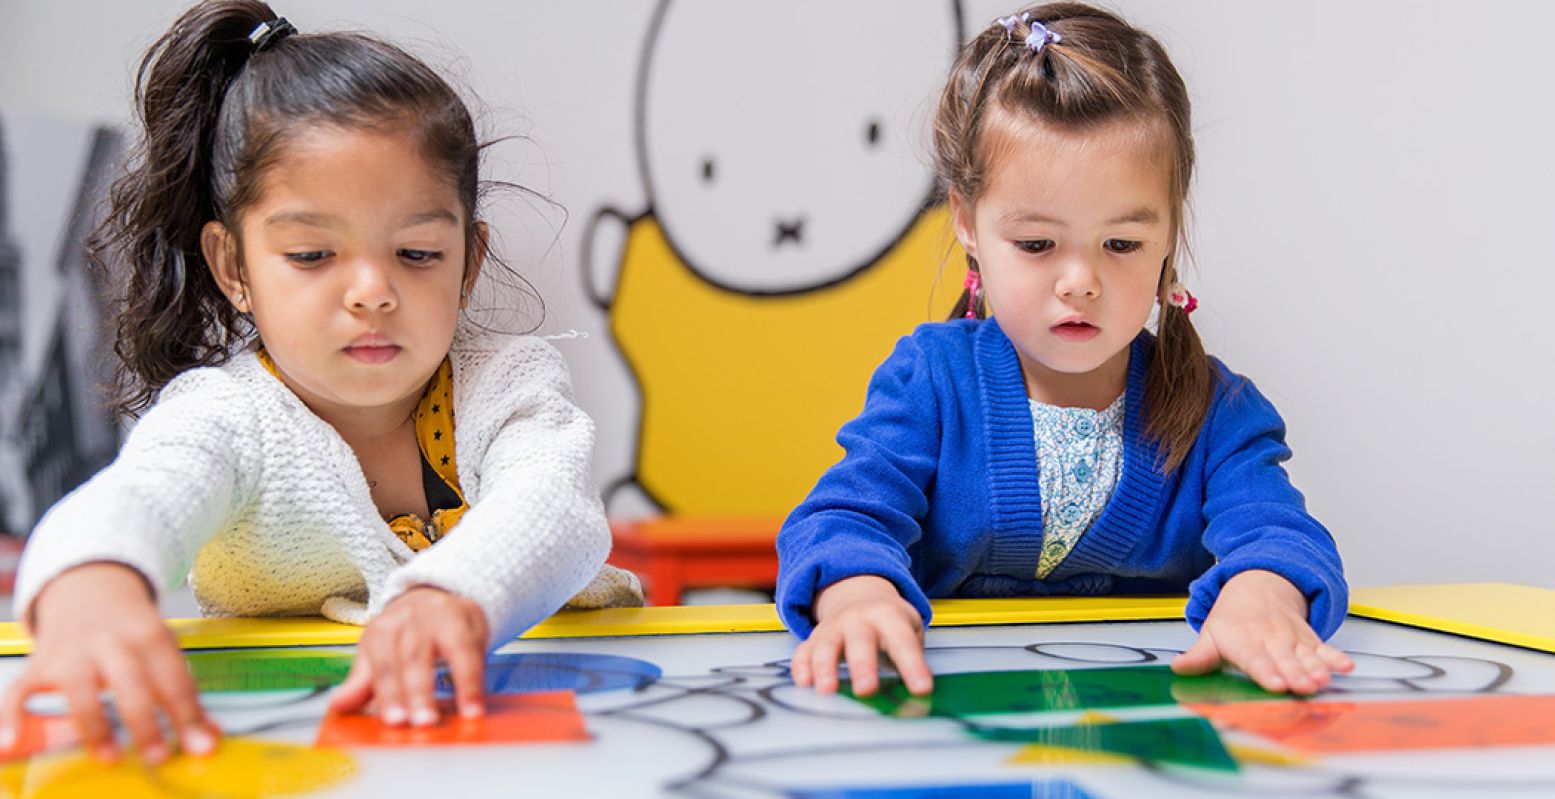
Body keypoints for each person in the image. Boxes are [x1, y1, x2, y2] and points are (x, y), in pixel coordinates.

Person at [1, 0, 639, 765]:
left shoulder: (509, 382)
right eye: (311, 256)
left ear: (469, 262)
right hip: (302, 740)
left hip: (538, 708)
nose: (371, 291)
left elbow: (555, 508)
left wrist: (452, 594)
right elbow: (140, 495)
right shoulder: (225, 416)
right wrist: (90, 581)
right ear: (234, 266)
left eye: (417, 253)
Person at [777, 2, 1350, 701]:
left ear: (1169, 228)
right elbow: (842, 519)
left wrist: (1263, 594)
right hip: (947, 719)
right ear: (966, 220)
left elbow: (1280, 533)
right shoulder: (930, 381)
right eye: (1037, 244)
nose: (1080, 282)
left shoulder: (1219, 413)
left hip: (1143, 727)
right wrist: (855, 591)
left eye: (1121, 244)